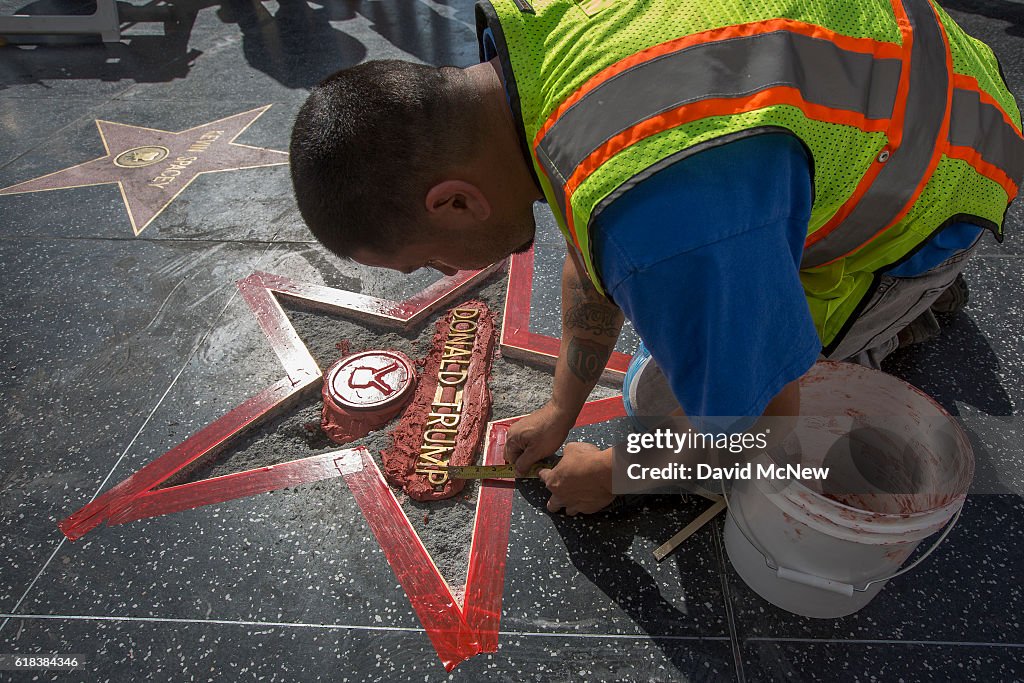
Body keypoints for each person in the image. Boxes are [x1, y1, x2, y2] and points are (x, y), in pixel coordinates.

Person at [289, 0, 1024, 516]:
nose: (450, 278)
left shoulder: (666, 222)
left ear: (454, 202)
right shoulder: (532, 51)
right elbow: (586, 224)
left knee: (692, 414)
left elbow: (768, 432)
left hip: (950, 152)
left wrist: (617, 474)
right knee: (688, 368)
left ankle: (912, 294)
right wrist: (559, 409)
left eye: (427, 262)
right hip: (879, 61)